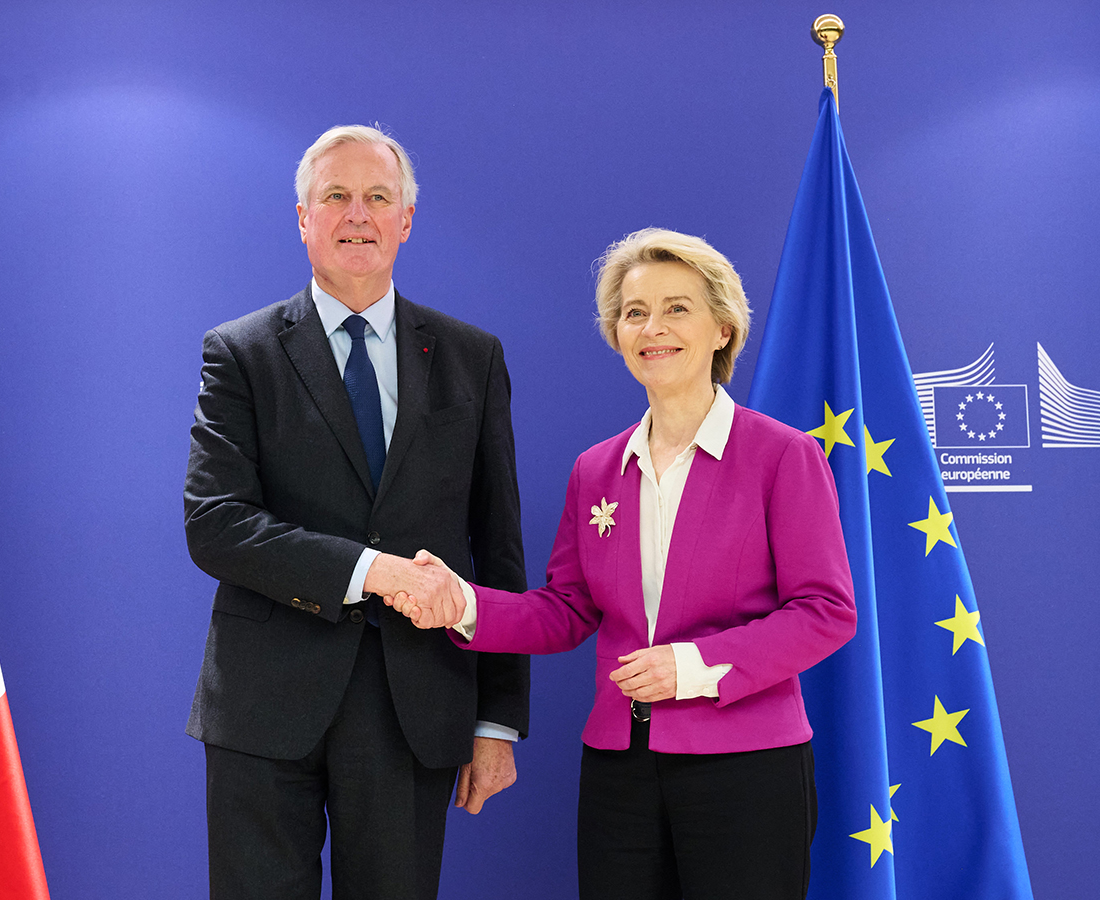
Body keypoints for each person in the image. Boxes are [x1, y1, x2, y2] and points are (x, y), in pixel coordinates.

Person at [391, 228, 857, 900]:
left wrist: (689, 667)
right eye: (635, 312)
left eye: (677, 308)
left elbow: (826, 612)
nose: (652, 328)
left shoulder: (783, 457)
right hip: (619, 771)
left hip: (748, 769)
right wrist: (459, 602)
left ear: (723, 329)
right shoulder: (597, 469)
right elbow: (566, 610)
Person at [183, 125, 531, 900]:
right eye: (335, 196)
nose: (357, 215)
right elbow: (215, 522)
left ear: (406, 219)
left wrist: (498, 719)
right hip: (264, 707)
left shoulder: (473, 358)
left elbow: (497, 550)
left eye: (378, 197)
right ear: (302, 217)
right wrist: (369, 571)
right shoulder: (240, 352)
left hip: (415, 705)